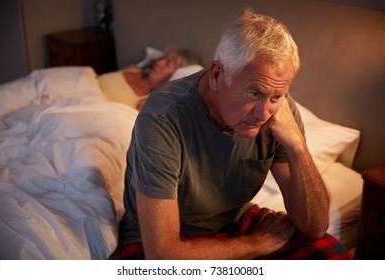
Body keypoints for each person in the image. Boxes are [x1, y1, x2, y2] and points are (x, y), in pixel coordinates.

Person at [116, 9, 353, 260]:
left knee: (331, 255)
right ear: (217, 74)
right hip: (162, 242)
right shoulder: (162, 119)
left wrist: (297, 146)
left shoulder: (279, 109)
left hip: (234, 223)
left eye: (276, 96)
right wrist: (255, 244)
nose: (264, 113)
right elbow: (162, 254)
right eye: (254, 93)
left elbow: (315, 226)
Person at [122, 46, 203, 110]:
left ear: (175, 75)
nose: (158, 62)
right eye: (161, 58)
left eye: (168, 64)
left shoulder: (147, 103)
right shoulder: (133, 69)